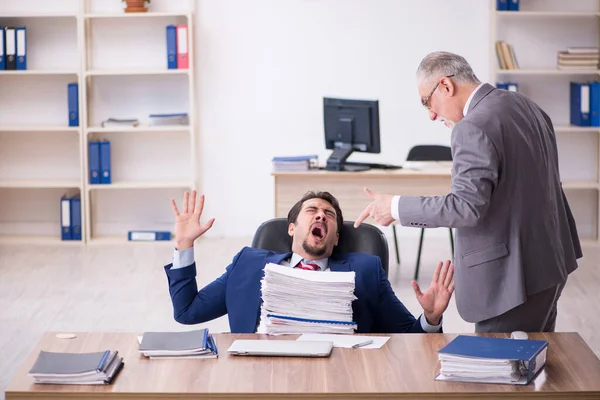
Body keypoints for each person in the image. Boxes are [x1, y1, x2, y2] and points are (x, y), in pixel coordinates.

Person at [355, 51, 582, 333]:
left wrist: (395, 207)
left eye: (427, 102)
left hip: (512, 282)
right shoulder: (525, 105)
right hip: (550, 264)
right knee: (535, 364)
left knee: (497, 372)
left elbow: (466, 206)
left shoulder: (471, 126)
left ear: (446, 86)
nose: (431, 115)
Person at [165, 189, 454, 334]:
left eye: (328, 215)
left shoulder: (366, 271)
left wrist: (431, 318)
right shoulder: (249, 264)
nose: (320, 216)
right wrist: (184, 245)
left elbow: (411, 337)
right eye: (312, 211)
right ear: (291, 228)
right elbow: (187, 311)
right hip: (257, 381)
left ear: (337, 238)